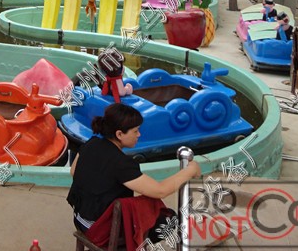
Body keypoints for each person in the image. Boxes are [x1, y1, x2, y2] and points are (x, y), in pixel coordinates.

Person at [68, 104, 201, 243]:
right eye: (135, 131)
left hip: (80, 220)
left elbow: (73, 171)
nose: (139, 135)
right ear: (119, 134)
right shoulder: (120, 163)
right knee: (169, 219)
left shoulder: (91, 144)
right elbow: (160, 190)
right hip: (102, 232)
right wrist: (190, 170)